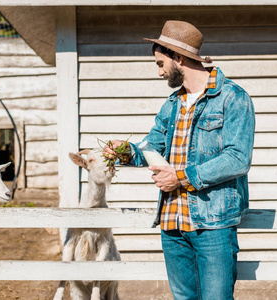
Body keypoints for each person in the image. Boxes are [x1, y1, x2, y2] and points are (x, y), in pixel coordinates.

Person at [103, 20, 255, 300]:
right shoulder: (172, 104)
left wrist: (181, 178)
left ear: (179, 58)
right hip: (172, 224)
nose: (160, 72)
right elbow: (151, 148)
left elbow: (237, 158)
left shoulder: (232, 98)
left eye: (161, 63)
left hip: (212, 225)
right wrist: (123, 151)